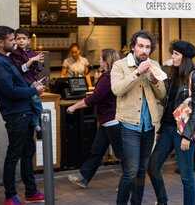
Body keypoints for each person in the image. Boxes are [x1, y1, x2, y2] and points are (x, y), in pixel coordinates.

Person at [0, 26, 45, 205]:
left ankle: (31, 191)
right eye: (12, 40)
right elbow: (10, 91)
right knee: (14, 155)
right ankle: (10, 195)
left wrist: (33, 86)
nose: (15, 42)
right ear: (0, 42)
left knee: (28, 153)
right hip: (16, 115)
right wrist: (32, 90)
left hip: (24, 112)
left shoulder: (5, 59)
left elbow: (19, 82)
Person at [111, 30, 166, 205]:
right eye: (141, 46)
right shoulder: (120, 65)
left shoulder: (154, 64)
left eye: (148, 47)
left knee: (142, 170)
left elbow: (162, 94)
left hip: (149, 126)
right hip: (129, 126)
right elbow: (117, 89)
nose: (144, 50)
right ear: (133, 47)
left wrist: (154, 79)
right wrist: (137, 73)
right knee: (131, 171)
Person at [148, 40, 195, 205]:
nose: (172, 56)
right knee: (152, 166)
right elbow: (166, 99)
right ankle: (162, 200)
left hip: (183, 132)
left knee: (186, 176)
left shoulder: (194, 76)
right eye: (172, 53)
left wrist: (187, 135)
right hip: (167, 129)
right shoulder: (172, 74)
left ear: (184, 57)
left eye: (176, 54)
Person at [66, 49, 122, 188]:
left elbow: (94, 98)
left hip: (111, 121)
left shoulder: (107, 77)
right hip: (108, 121)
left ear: (106, 61)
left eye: (101, 59)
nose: (99, 62)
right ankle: (83, 178)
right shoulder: (114, 76)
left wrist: (73, 107)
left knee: (122, 155)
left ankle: (129, 183)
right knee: (97, 151)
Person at [10, 29, 44, 132]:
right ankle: (35, 123)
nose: (21, 41)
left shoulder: (31, 52)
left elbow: (37, 69)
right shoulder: (14, 54)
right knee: (35, 104)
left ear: (28, 40)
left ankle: (35, 123)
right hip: (23, 85)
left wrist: (39, 64)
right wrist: (32, 60)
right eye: (18, 38)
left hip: (32, 82)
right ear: (15, 40)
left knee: (37, 106)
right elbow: (21, 70)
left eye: (24, 38)